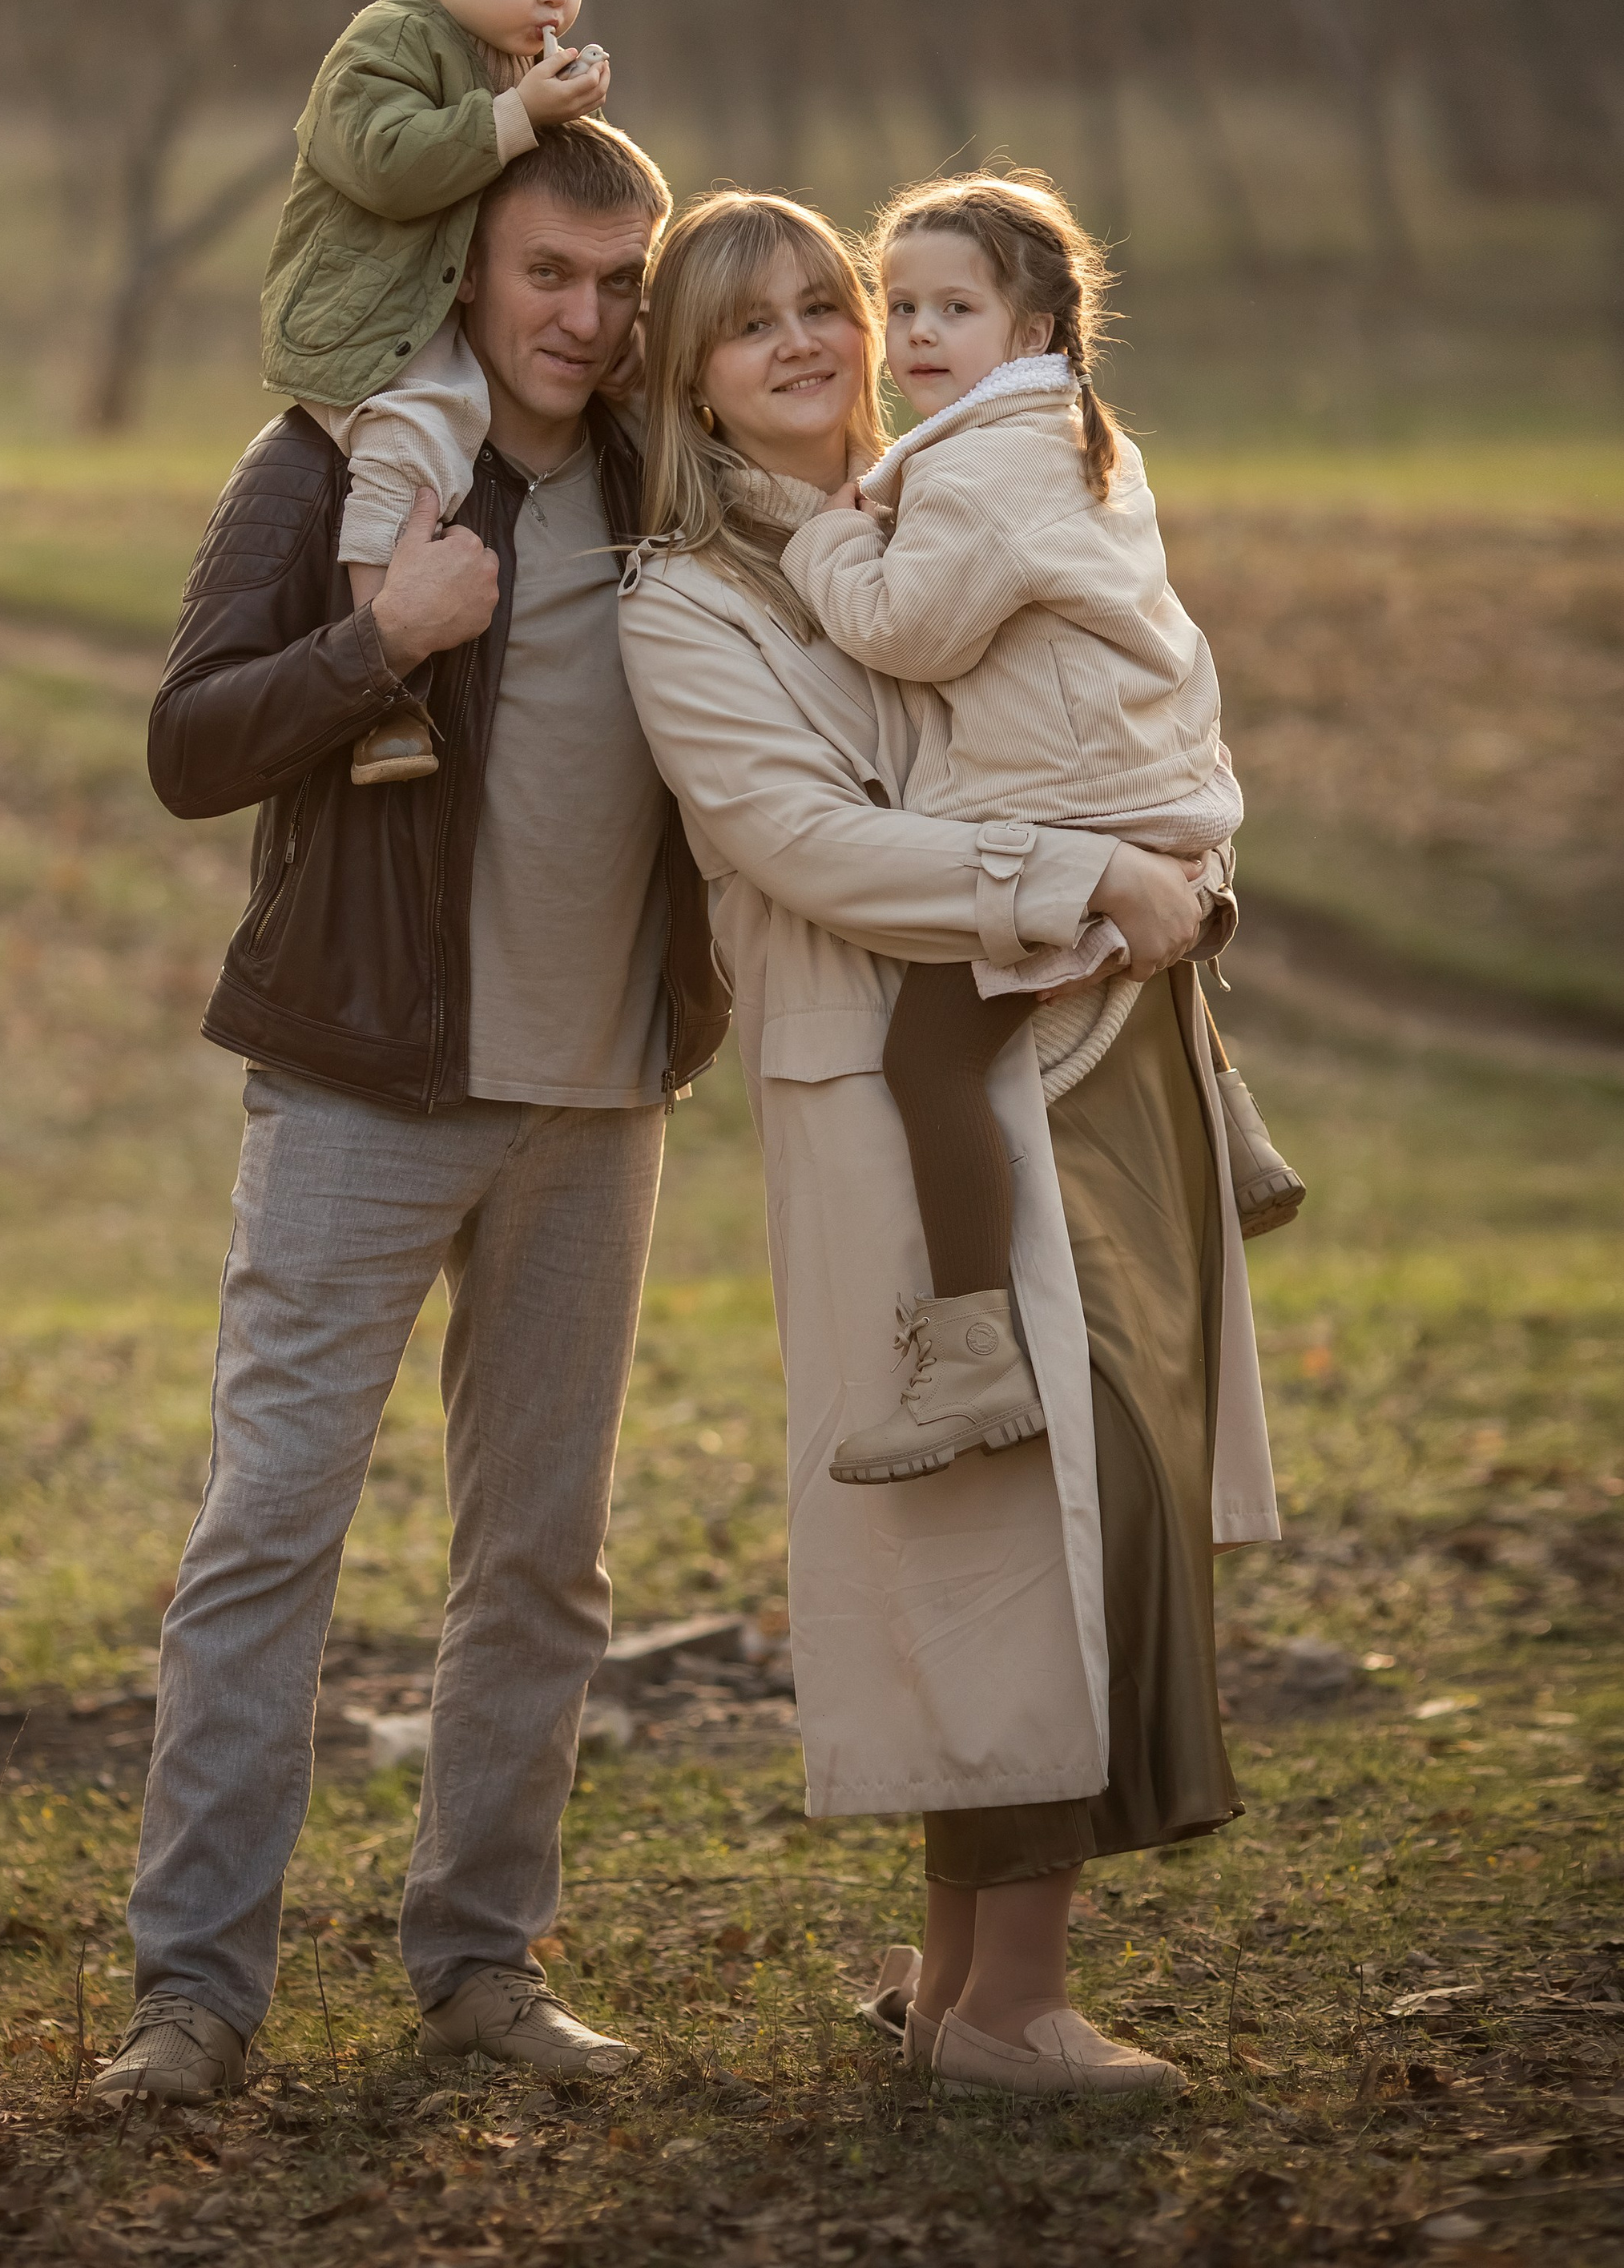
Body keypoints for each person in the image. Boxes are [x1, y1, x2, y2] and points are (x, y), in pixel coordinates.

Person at [617, 190, 1279, 2101]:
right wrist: (1075, 872)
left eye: (821, 301)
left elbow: (1113, 683)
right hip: (905, 1097)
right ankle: (1008, 2007)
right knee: (1004, 1533)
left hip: (1093, 1039)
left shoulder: (953, 495)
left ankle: (950, 1988)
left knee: (1089, 1495)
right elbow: (807, 845)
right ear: (691, 379)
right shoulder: (680, 600)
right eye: (749, 324)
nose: (809, 341)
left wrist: (1149, 852)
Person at [95, 119, 727, 2108]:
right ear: (467, 266)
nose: (585, 318)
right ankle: (192, 1996)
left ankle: (479, 1965)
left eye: (619, 285)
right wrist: (384, 636)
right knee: (267, 1535)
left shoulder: (664, 478)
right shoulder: (330, 461)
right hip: (362, 1080)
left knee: (539, 1559)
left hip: (600, 1099)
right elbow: (188, 743)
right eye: (549, 275)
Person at [777, 170, 1278, 1490]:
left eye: (956, 308)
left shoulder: (976, 470)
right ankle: (1233, 1132)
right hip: (1164, 778)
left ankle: (974, 1353)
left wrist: (828, 547)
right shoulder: (1079, 438)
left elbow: (906, 631)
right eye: (901, 307)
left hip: (1078, 799)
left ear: (1037, 328)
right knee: (1122, 946)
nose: (918, 333)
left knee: (930, 1056)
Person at [260, 0, 617, 785]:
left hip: (450, 314)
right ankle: (383, 671)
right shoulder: (384, 45)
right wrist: (517, 115)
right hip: (370, 323)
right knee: (413, 442)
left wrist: (566, 114)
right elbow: (385, 165)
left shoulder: (515, 60)